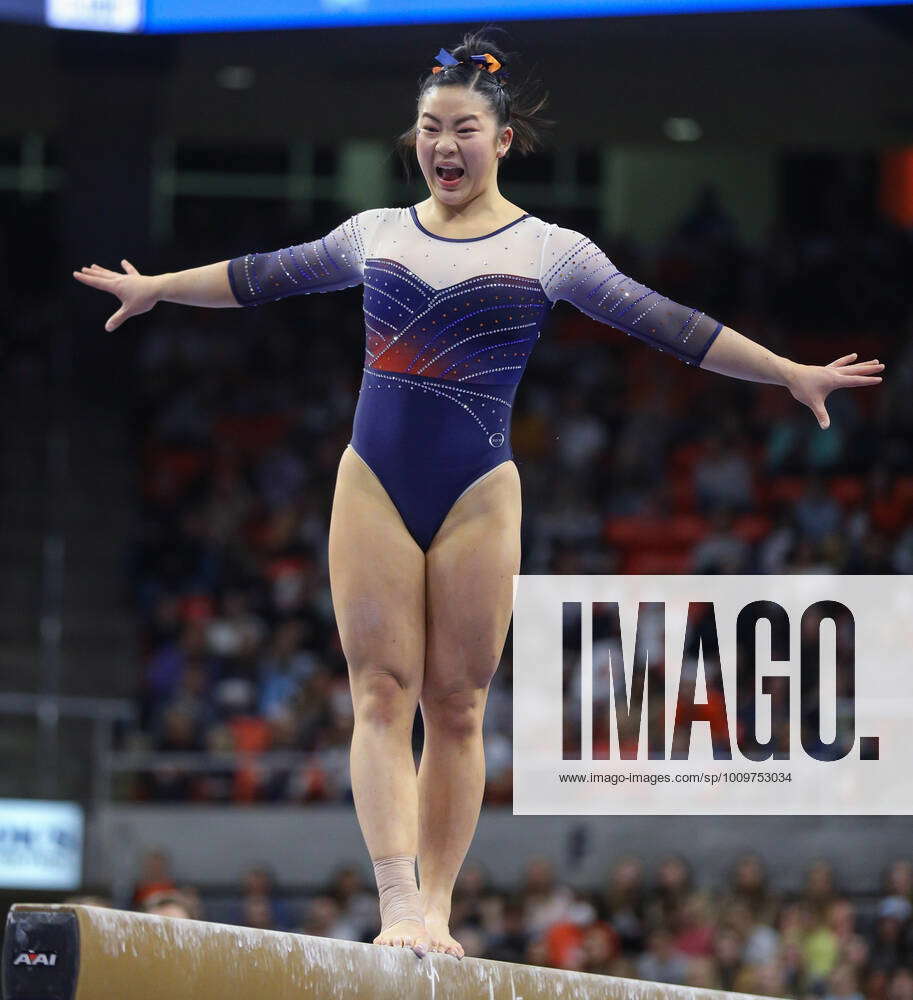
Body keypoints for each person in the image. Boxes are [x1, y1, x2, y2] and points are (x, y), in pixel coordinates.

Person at [72, 27, 885, 962]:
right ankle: (397, 904)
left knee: (456, 706)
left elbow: (673, 326)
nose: (442, 145)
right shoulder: (374, 233)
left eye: (463, 127)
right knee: (380, 693)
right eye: (428, 128)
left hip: (477, 494)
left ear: (502, 141)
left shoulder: (552, 250)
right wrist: (159, 289)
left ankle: (441, 911)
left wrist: (787, 371)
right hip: (371, 483)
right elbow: (260, 278)